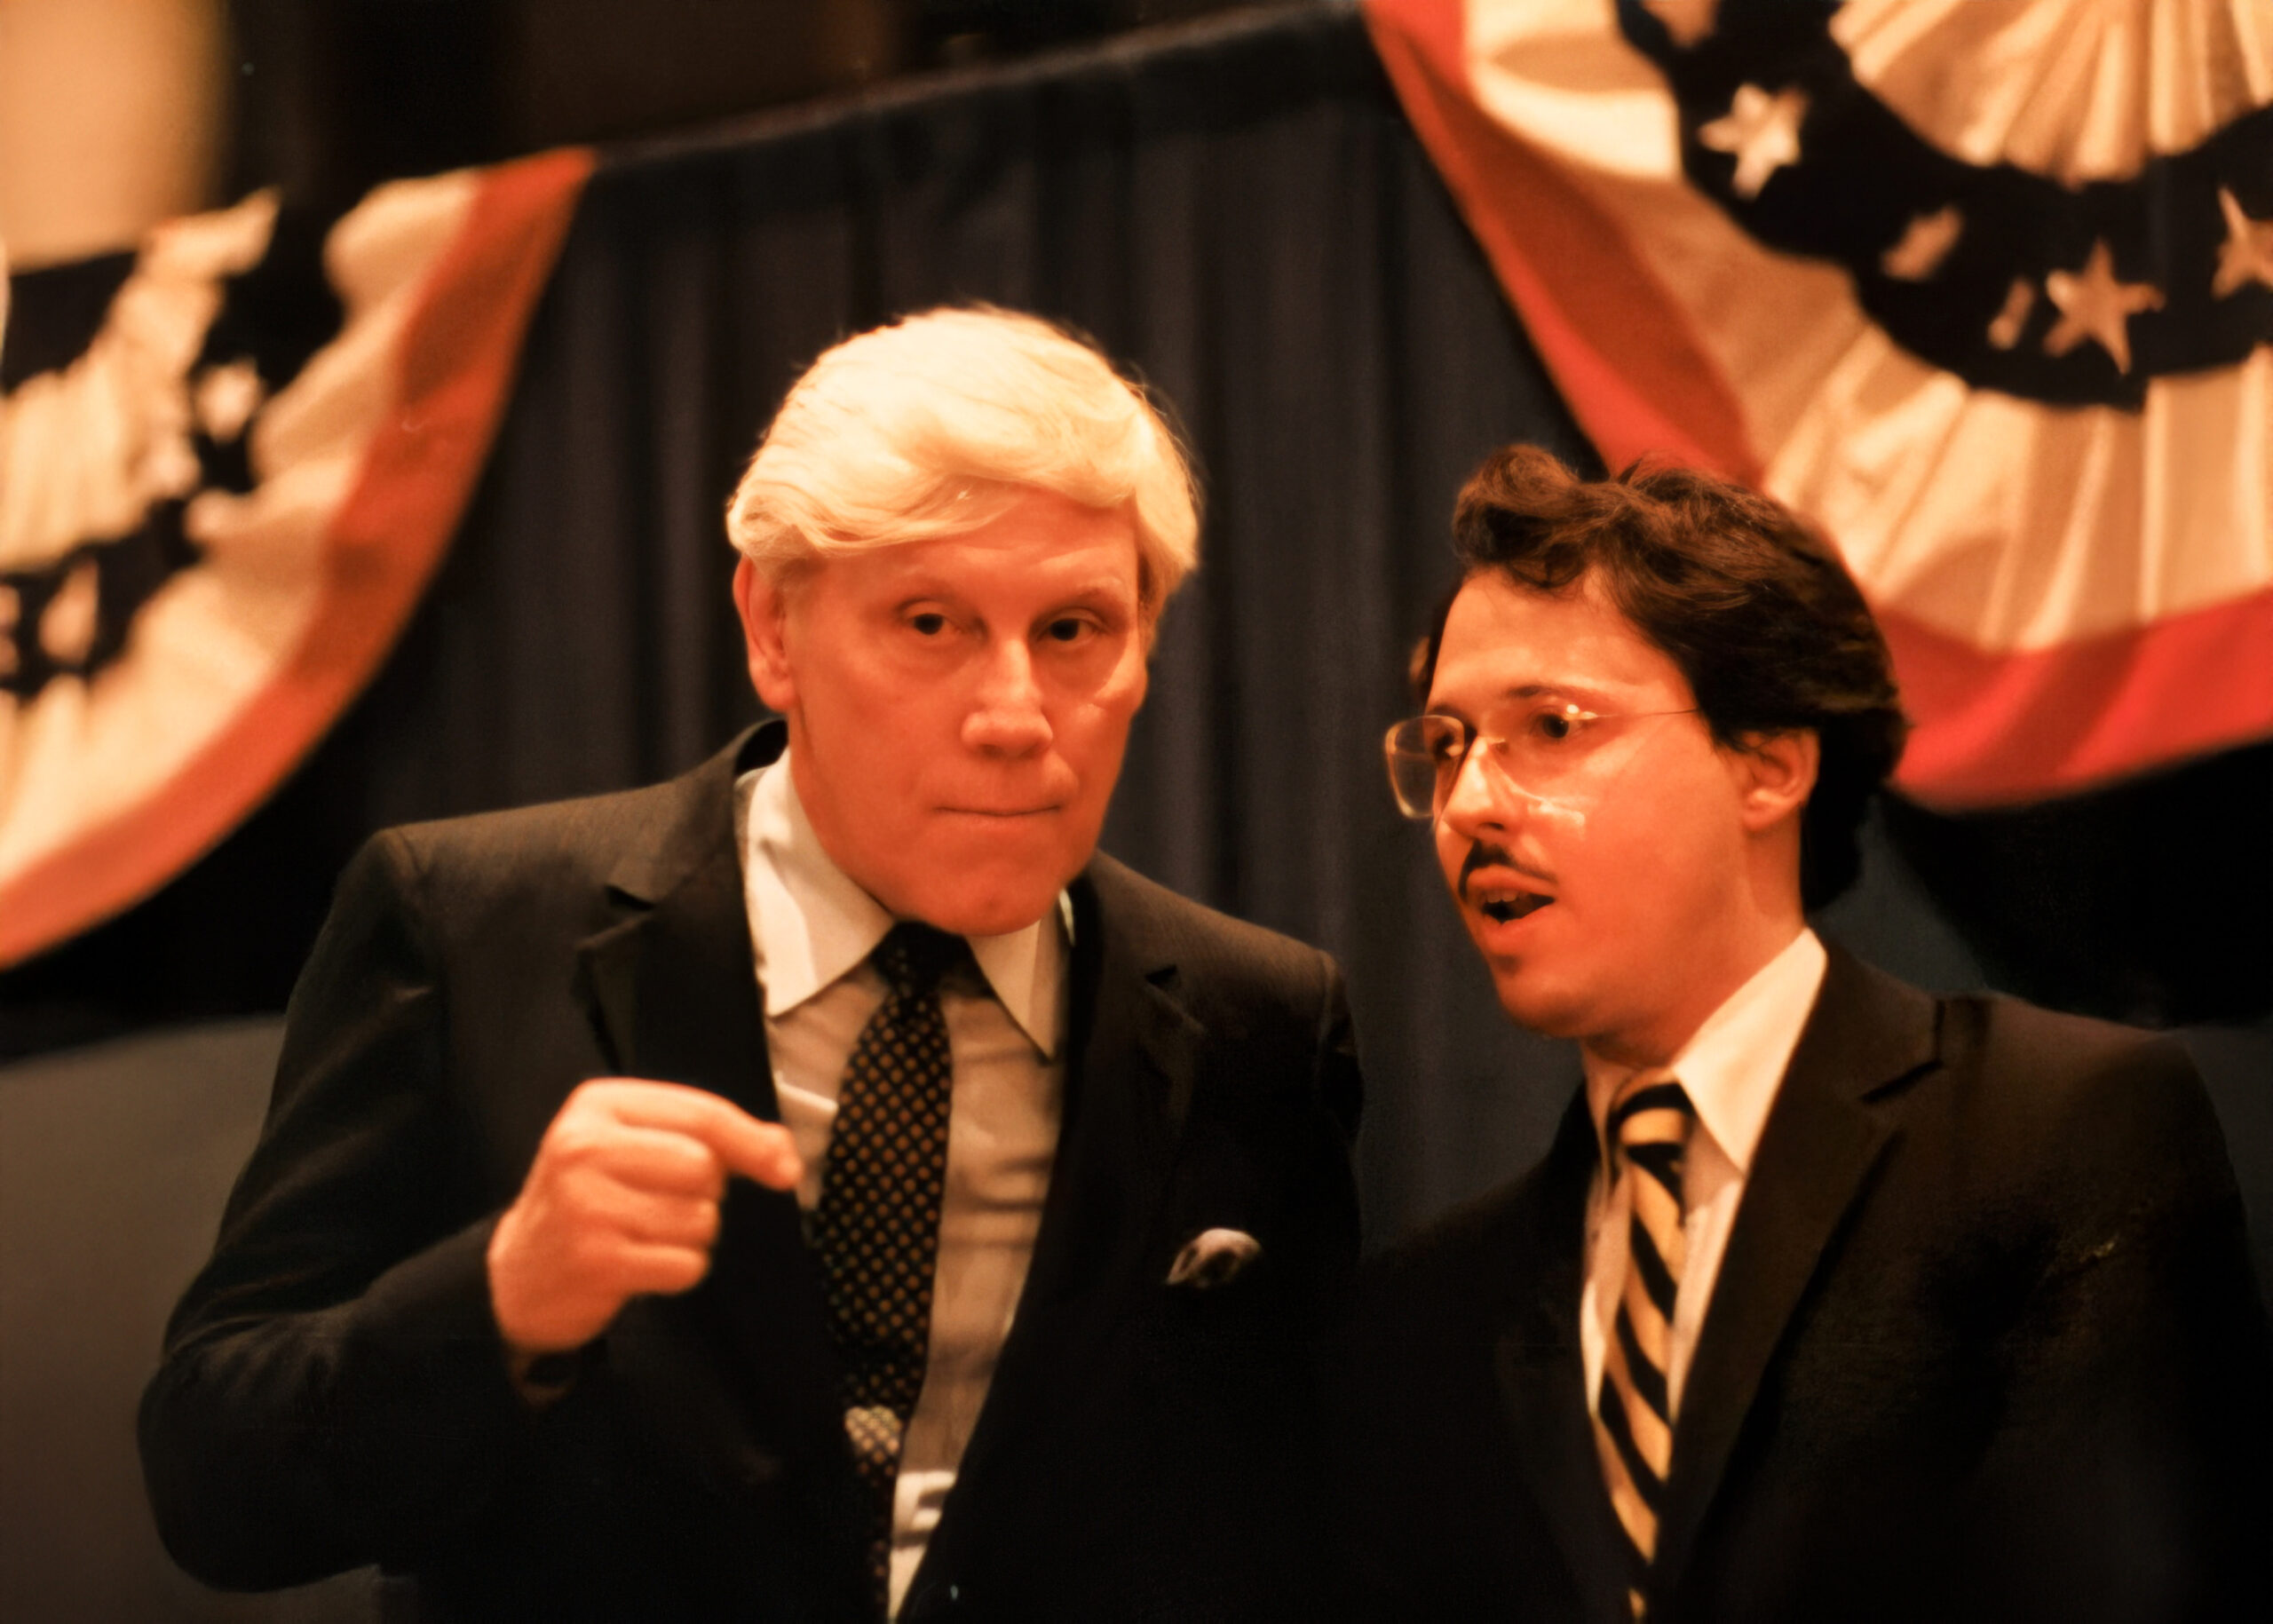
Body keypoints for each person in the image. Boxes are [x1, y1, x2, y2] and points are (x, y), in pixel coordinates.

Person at [140, 307, 1362, 1623]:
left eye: (1073, 630)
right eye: (932, 622)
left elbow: (1301, 1519)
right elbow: (214, 1477)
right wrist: (501, 1300)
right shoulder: (472, 927)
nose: (1016, 716)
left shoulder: (1258, 1020)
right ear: (774, 630)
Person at [1333, 446, 2269, 1622]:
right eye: (1448, 744)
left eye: (1552, 726)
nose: (1470, 800)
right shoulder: (1426, 1313)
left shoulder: (2060, 1132)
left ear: (1768, 766)